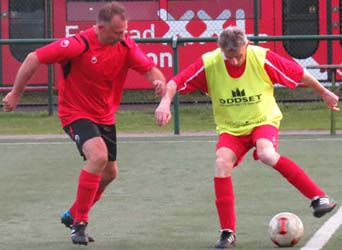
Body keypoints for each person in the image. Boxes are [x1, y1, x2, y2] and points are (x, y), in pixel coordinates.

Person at [155, 26, 339, 249]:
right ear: (221, 50)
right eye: (229, 57)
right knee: (221, 164)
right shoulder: (210, 63)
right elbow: (175, 82)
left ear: (247, 46)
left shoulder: (261, 57)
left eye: (239, 56)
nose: (234, 62)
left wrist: (325, 93)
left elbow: (299, 74)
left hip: (262, 121)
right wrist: (165, 103)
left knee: (266, 153)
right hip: (231, 129)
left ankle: (319, 198)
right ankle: (227, 233)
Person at [2, 1, 166, 246]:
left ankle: (72, 213)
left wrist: (158, 83)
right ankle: (80, 224)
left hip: (105, 116)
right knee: (98, 157)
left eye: (125, 32)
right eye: (118, 32)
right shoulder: (78, 45)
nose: (123, 36)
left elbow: (152, 71)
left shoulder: (125, 45)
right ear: (100, 27)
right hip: (75, 112)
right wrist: (16, 93)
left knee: (110, 174)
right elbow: (33, 57)